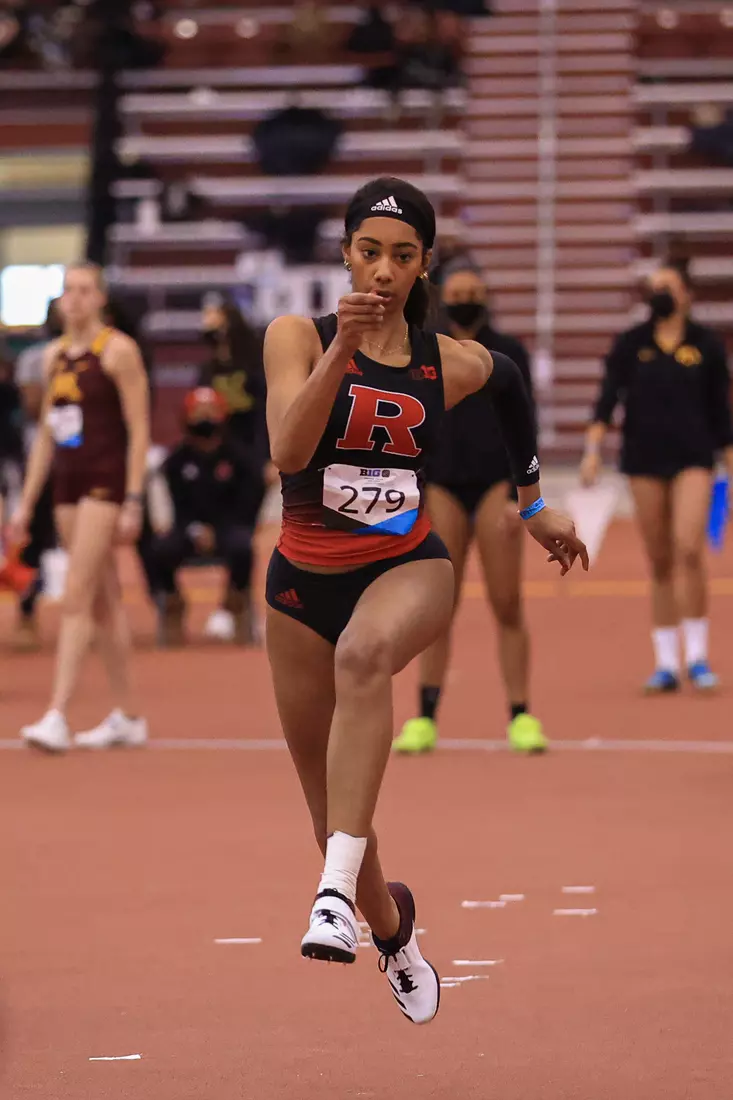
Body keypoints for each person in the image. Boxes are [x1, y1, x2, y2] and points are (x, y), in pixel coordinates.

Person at [263, 175, 587, 1024]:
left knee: (366, 655)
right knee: (331, 803)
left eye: (401, 257)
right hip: (300, 584)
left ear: (423, 267)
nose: (381, 271)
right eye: (367, 253)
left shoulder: (450, 362)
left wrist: (533, 504)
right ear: (344, 254)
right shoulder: (295, 335)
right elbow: (286, 448)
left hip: (407, 566)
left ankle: (328, 898)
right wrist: (342, 350)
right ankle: (390, 926)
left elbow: (512, 385)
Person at [395, 263, 546, 754]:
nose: (465, 300)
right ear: (442, 296)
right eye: (457, 292)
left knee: (507, 601)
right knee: (438, 605)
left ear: (486, 296)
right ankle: (425, 716)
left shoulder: (509, 350)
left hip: (495, 485)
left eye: (473, 292)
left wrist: (518, 493)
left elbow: (526, 423)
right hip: (441, 483)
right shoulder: (425, 347)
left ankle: (521, 715)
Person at [9, 262, 150, 752]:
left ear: (101, 298)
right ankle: (128, 716)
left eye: (85, 290)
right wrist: (25, 504)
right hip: (67, 487)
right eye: (68, 290)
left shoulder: (117, 352)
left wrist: (133, 497)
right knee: (103, 602)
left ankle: (57, 714)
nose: (75, 298)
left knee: (77, 592)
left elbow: (139, 429)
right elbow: (46, 438)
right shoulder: (52, 357)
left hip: (104, 485)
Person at [580, 259, 733, 693]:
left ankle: (698, 656)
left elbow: (722, 414)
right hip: (644, 460)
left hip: (694, 458)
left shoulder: (707, 345)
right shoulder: (631, 343)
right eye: (654, 286)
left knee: (688, 548)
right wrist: (592, 451)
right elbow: (607, 400)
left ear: (687, 292)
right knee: (661, 558)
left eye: (668, 285)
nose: (660, 293)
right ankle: (666, 661)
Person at [147, 386, 261, 646]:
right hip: (189, 530)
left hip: (230, 528)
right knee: (160, 549)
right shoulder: (175, 461)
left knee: (243, 547)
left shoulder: (240, 459)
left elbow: (248, 503)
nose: (204, 418)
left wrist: (220, 528)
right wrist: (195, 529)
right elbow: (175, 505)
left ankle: (236, 602)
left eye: (210, 411)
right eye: (198, 412)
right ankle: (173, 602)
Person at [11, 297, 63, 649]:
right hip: (40, 456)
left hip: (84, 455)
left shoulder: (100, 351)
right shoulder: (34, 357)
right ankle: (27, 607)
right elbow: (32, 407)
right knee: (34, 537)